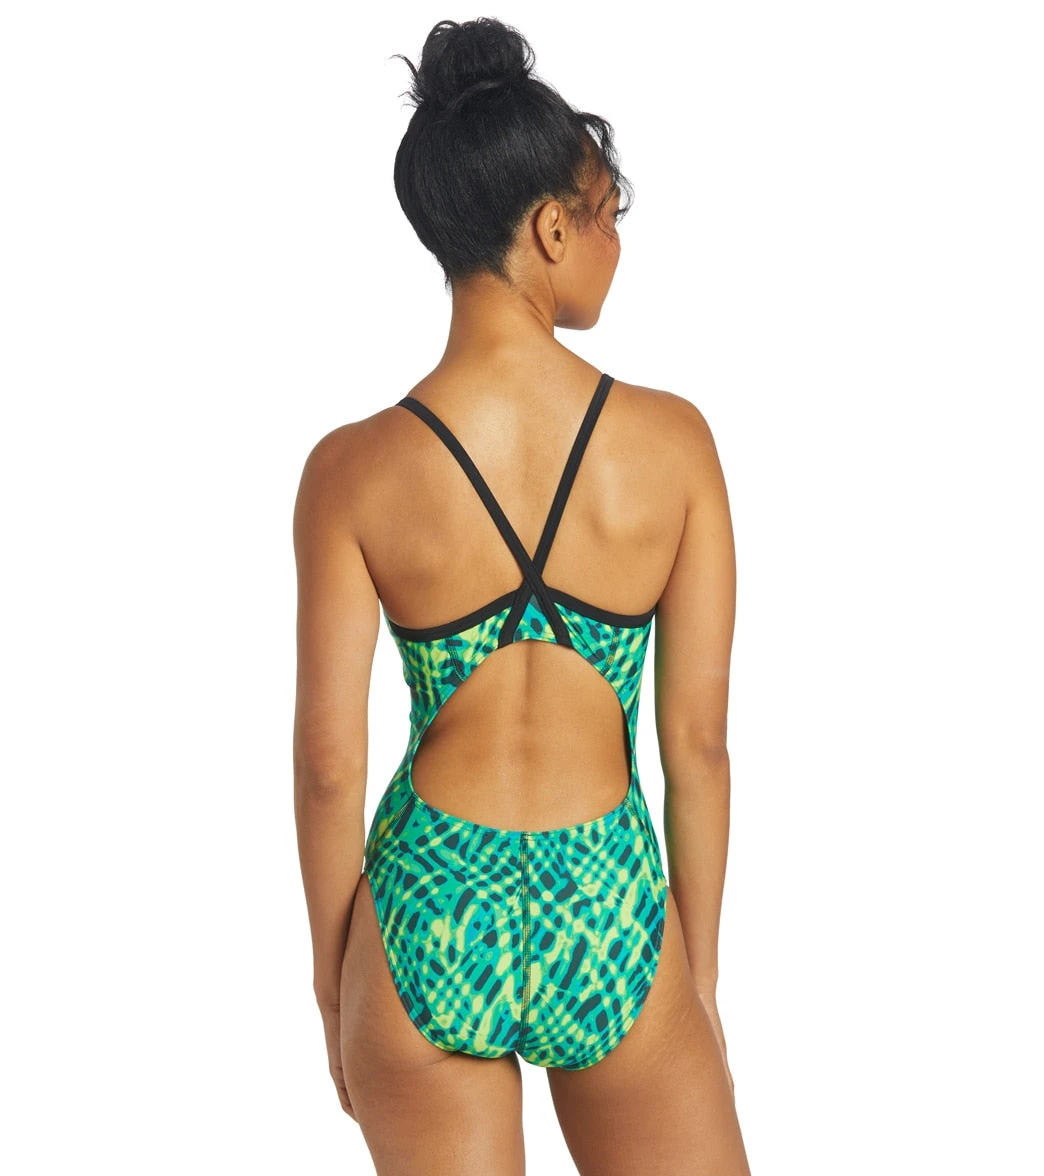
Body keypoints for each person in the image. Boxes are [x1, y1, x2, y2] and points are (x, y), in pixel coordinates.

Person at [293, 17, 751, 1175]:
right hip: (610, 907)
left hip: (425, 908)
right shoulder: (674, 446)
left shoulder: (353, 469)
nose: (615, 242)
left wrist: (335, 980)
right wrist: (694, 977)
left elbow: (329, 766)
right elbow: (698, 745)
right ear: (554, 226)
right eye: (609, 214)